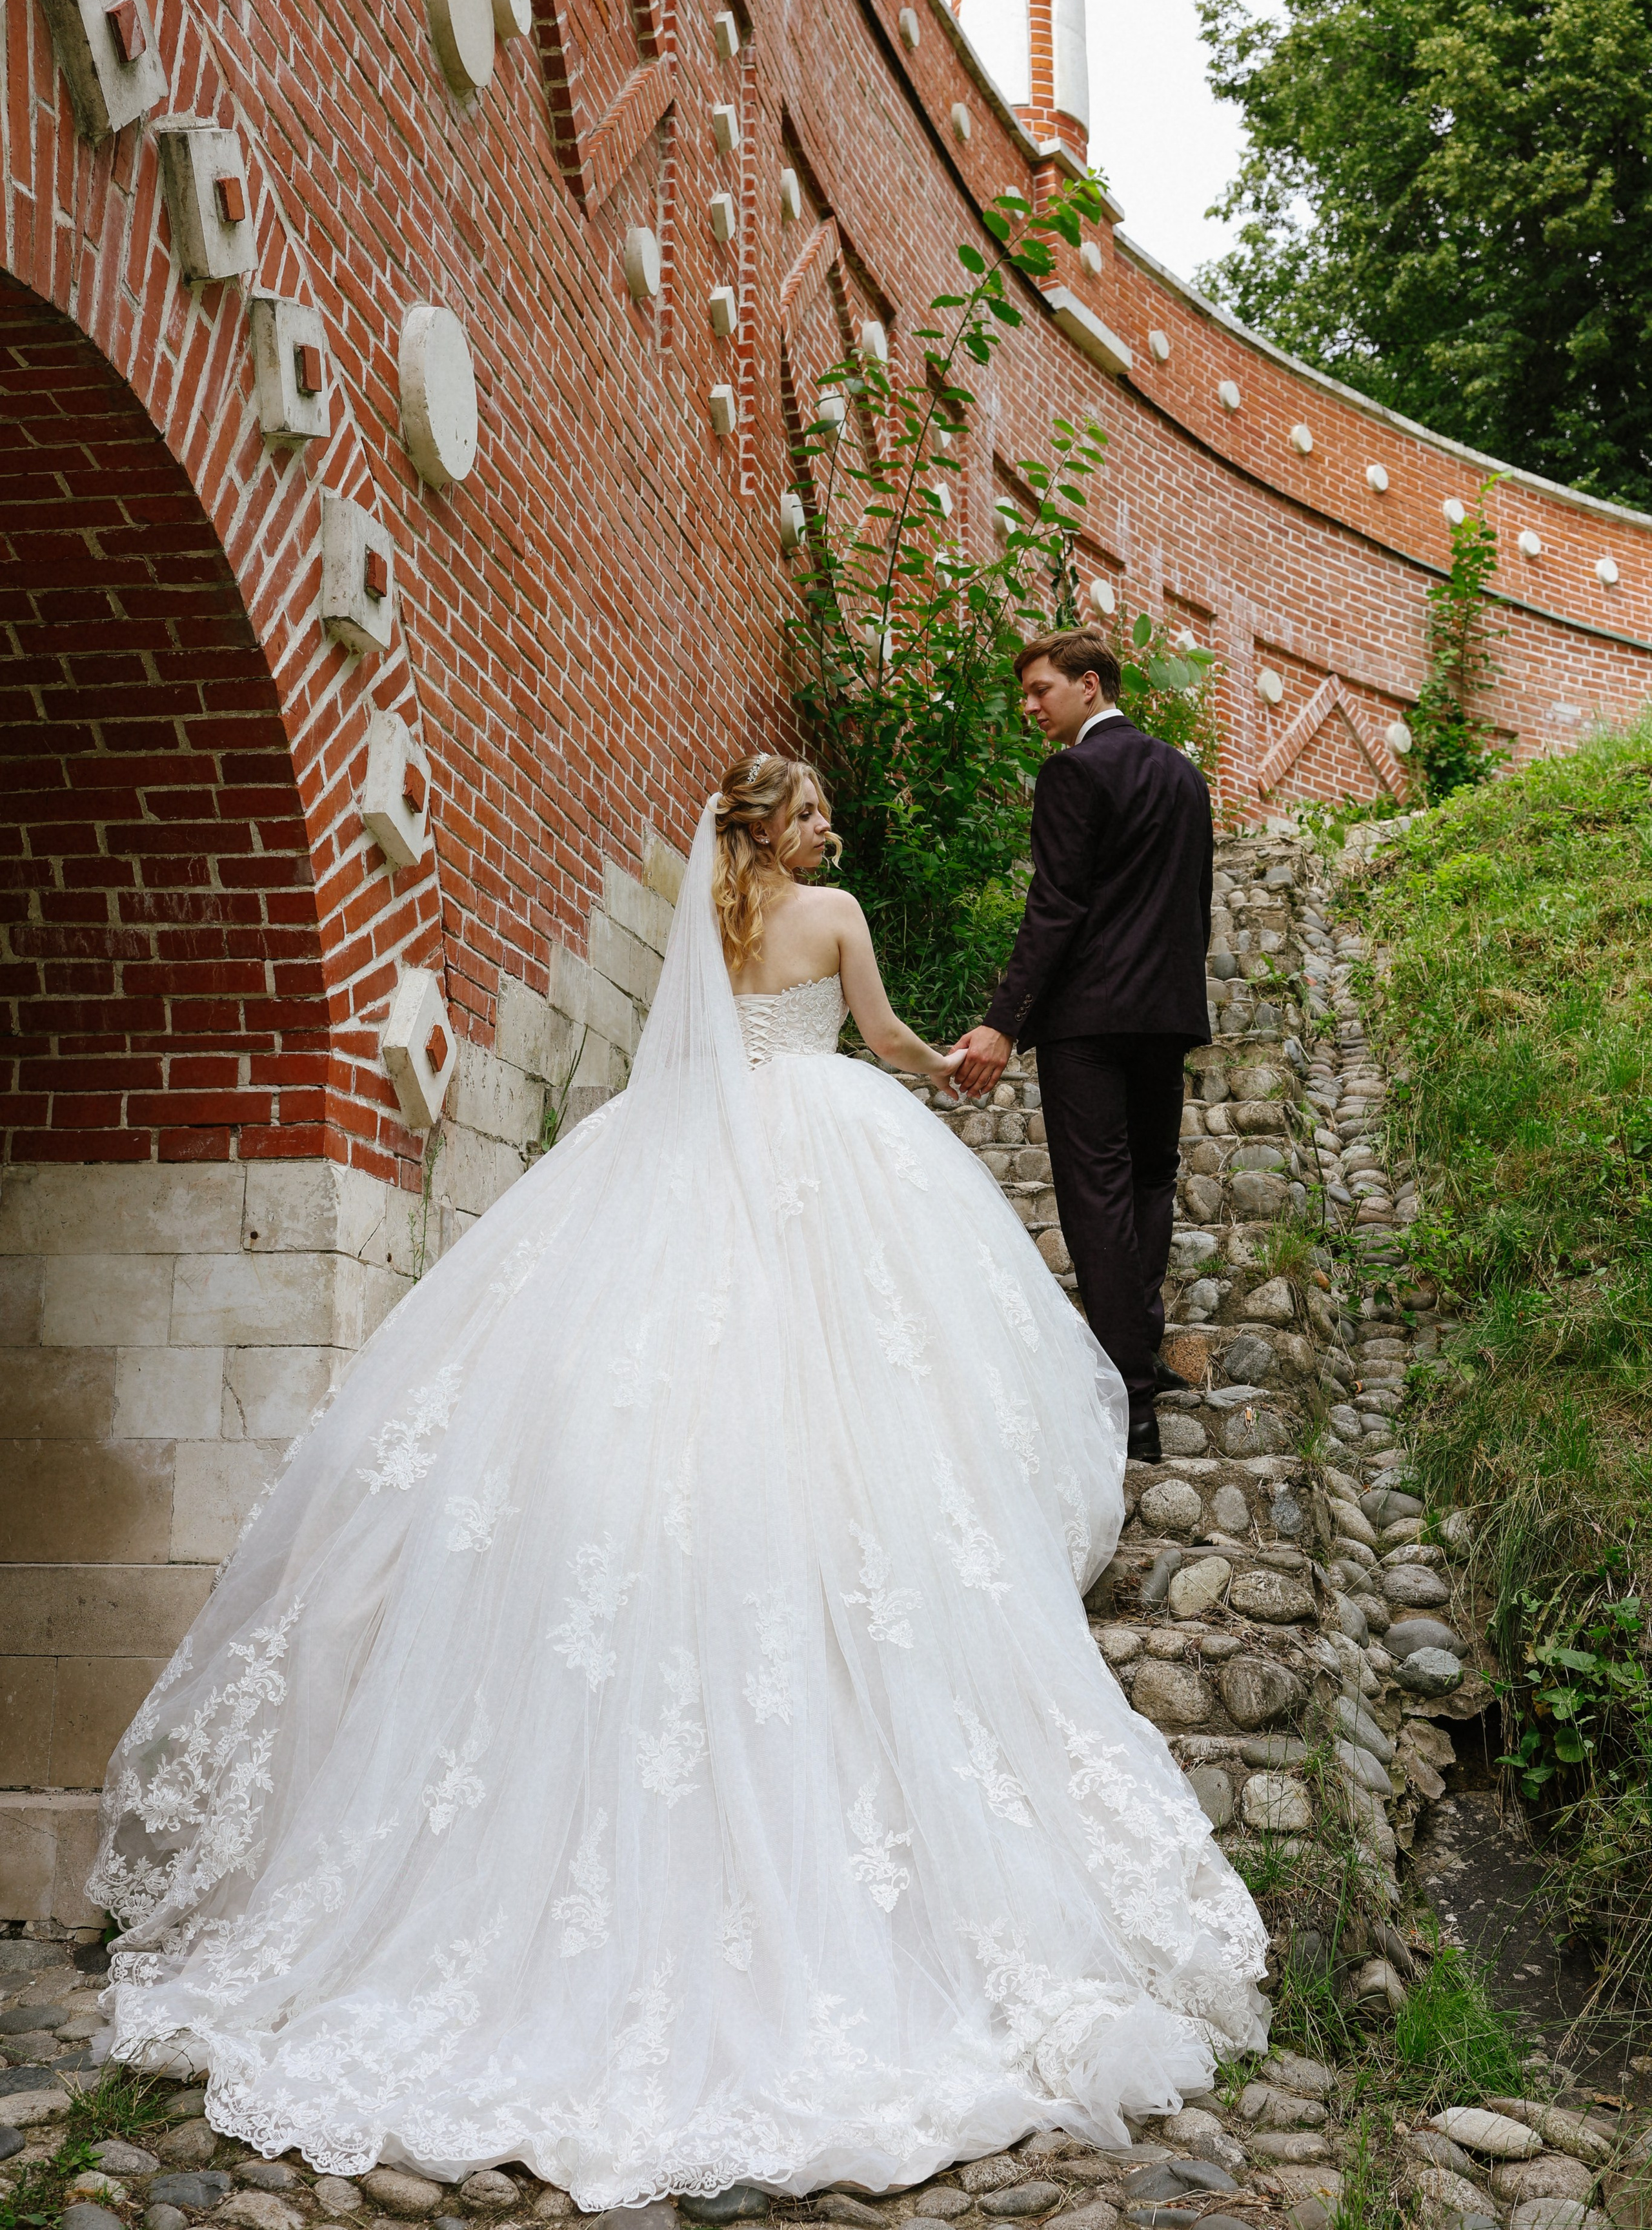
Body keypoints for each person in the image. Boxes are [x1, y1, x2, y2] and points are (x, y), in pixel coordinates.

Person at [91, 754, 1264, 2207]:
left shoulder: (700, 925)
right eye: (818, 809)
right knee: (850, 1391)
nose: (832, 824)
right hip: (829, 1160)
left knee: (671, 1387)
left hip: (686, 1164)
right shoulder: (829, 914)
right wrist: (960, 1061)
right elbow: (885, 1039)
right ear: (787, 831)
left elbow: (692, 1066)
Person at [951, 634, 1215, 1465]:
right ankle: (1139, 1352)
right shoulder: (1184, 773)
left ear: (1087, 683)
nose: (1029, 707)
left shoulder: (1072, 772)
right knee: (1148, 1180)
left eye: (1039, 690)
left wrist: (1003, 1019)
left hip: (1089, 1024)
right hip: (1163, 1015)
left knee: (1098, 1196)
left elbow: (1055, 908)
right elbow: (1190, 901)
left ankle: (1129, 1404)